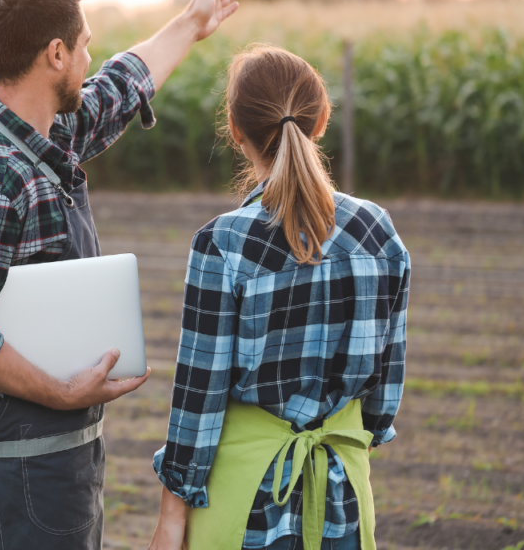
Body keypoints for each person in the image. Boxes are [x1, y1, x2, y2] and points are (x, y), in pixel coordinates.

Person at [0, 0, 246, 550]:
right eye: (86, 44)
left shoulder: (35, 132)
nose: (92, 58)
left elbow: (120, 87)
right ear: (56, 53)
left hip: (46, 460)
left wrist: (192, 24)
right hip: (23, 469)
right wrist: (62, 394)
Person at [147, 45, 410, 550]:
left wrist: (171, 519)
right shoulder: (378, 232)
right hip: (343, 499)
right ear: (320, 122)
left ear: (235, 128)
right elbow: (381, 403)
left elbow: (197, 402)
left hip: (245, 505)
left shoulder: (222, 244)